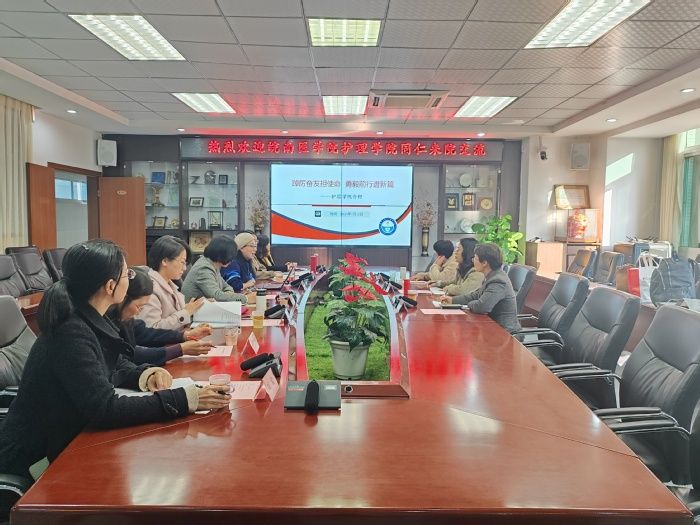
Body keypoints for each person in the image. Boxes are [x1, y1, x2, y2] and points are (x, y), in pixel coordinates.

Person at [0, 240, 230, 479]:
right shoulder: (71, 331)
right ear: (110, 286)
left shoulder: (89, 318)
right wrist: (184, 399)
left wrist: (145, 374)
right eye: (127, 274)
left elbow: (113, 361)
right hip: (36, 460)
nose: (131, 278)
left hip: (70, 437)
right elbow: (105, 408)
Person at [109, 267, 214, 365]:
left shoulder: (125, 319)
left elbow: (146, 333)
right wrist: (180, 349)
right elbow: (131, 355)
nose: (139, 312)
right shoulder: (108, 325)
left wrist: (185, 335)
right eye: (138, 306)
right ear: (122, 297)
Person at [441, 243, 521, 334]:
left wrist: (468, 305)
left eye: (475, 258)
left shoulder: (498, 281)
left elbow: (482, 307)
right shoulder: (491, 276)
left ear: (484, 263)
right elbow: (475, 295)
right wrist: (453, 300)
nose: (472, 261)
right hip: (491, 328)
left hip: (504, 333)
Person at [138, 235, 205, 330]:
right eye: (182, 262)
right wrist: (186, 312)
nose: (184, 268)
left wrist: (195, 306)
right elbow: (152, 329)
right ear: (165, 261)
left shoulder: (170, 283)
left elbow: (172, 313)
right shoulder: (150, 288)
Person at [182, 236, 250, 303]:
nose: (232, 260)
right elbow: (217, 296)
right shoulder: (204, 268)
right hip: (195, 309)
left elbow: (227, 287)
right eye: (231, 256)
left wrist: (228, 294)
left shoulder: (213, 264)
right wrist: (246, 298)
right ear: (223, 255)